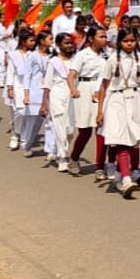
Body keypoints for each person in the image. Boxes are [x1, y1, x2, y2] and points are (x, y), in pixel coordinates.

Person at [96, 27, 140, 198]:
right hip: (116, 101)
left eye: (132, 40)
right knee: (121, 139)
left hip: (135, 99)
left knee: (133, 138)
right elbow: (104, 86)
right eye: (125, 41)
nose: (129, 44)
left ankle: (123, 173)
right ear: (119, 42)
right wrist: (100, 111)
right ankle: (126, 177)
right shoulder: (112, 59)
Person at [68, 26, 109, 178]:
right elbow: (71, 75)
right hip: (85, 90)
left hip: (102, 90)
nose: (104, 40)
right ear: (91, 39)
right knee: (85, 131)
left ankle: (100, 166)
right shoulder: (82, 55)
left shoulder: (108, 55)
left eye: (105, 37)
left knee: (101, 129)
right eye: (101, 37)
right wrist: (73, 89)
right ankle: (74, 158)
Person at [40, 33, 78, 172]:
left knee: (70, 131)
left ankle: (56, 149)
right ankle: (63, 158)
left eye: (71, 43)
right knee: (60, 127)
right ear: (58, 45)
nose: (69, 46)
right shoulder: (53, 62)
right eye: (66, 43)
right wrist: (44, 103)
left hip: (73, 97)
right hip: (57, 96)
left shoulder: (76, 60)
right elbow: (47, 84)